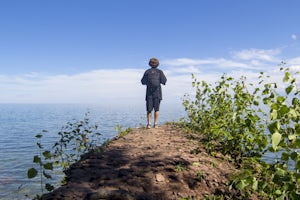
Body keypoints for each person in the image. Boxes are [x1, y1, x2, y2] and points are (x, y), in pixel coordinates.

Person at [141, 58, 167, 129]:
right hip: (157, 92)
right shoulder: (160, 72)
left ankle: (149, 124)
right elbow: (164, 81)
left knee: (149, 109)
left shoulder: (147, 72)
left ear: (150, 63)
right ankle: (155, 124)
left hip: (149, 93)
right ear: (157, 64)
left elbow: (142, 82)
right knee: (157, 109)